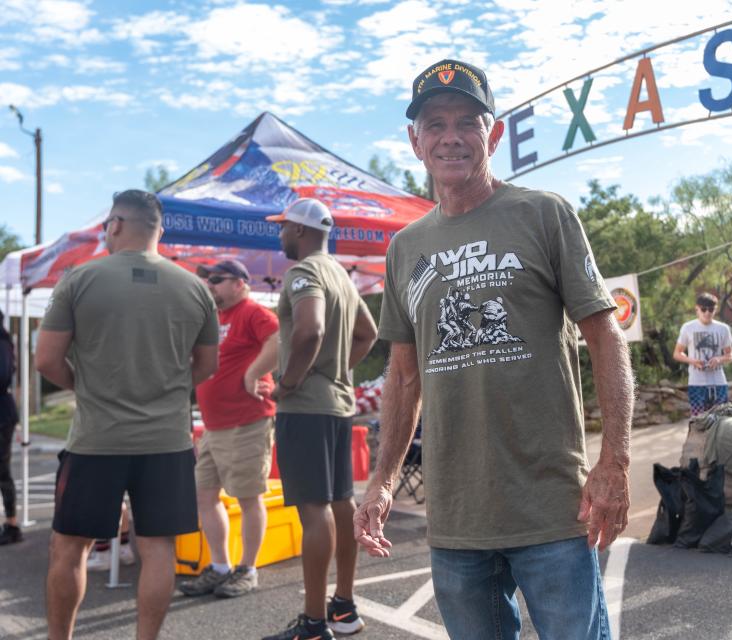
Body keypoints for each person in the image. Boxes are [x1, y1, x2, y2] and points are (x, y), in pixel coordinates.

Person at [354, 59, 634, 640]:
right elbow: (404, 379)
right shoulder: (406, 247)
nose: (450, 137)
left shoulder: (543, 214)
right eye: (434, 124)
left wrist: (614, 461)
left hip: (554, 508)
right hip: (456, 519)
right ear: (415, 140)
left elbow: (605, 336)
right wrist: (381, 481)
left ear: (494, 134)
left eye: (467, 122)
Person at [36, 190, 219, 640]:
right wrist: (167, 389)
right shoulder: (195, 287)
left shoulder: (80, 279)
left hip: (97, 440)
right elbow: (206, 366)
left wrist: (89, 387)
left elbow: (46, 361)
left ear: (115, 225)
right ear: (161, 230)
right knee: (159, 549)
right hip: (168, 441)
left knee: (69, 548)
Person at [261, 197, 378, 640]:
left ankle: (312, 625)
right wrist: (338, 371)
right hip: (337, 404)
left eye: (284, 227)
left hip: (306, 407)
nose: (281, 235)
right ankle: (343, 608)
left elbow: (310, 329)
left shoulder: (305, 272)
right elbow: (367, 333)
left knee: (315, 511)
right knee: (341, 503)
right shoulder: (342, 278)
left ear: (300, 231)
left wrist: (290, 382)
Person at [179, 259, 279, 598]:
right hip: (213, 426)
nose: (210, 286)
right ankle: (221, 566)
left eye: (217, 280)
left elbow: (280, 340)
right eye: (208, 280)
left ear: (239, 282)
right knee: (204, 495)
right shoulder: (215, 317)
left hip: (247, 421)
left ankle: (247, 569)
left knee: (248, 497)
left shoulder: (253, 311)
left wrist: (253, 374)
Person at [673, 292, 732, 415]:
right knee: (698, 420)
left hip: (718, 382)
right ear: (697, 309)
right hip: (696, 382)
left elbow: (730, 355)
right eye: (703, 309)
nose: (707, 313)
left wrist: (719, 359)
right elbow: (677, 353)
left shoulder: (723, 328)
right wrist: (692, 361)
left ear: (715, 310)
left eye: (711, 309)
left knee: (721, 419)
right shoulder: (688, 327)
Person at [0, 310, 21, 546]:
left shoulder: (2, 342)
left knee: (2, 472)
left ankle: (12, 524)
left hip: (2, 416)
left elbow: (3, 375)